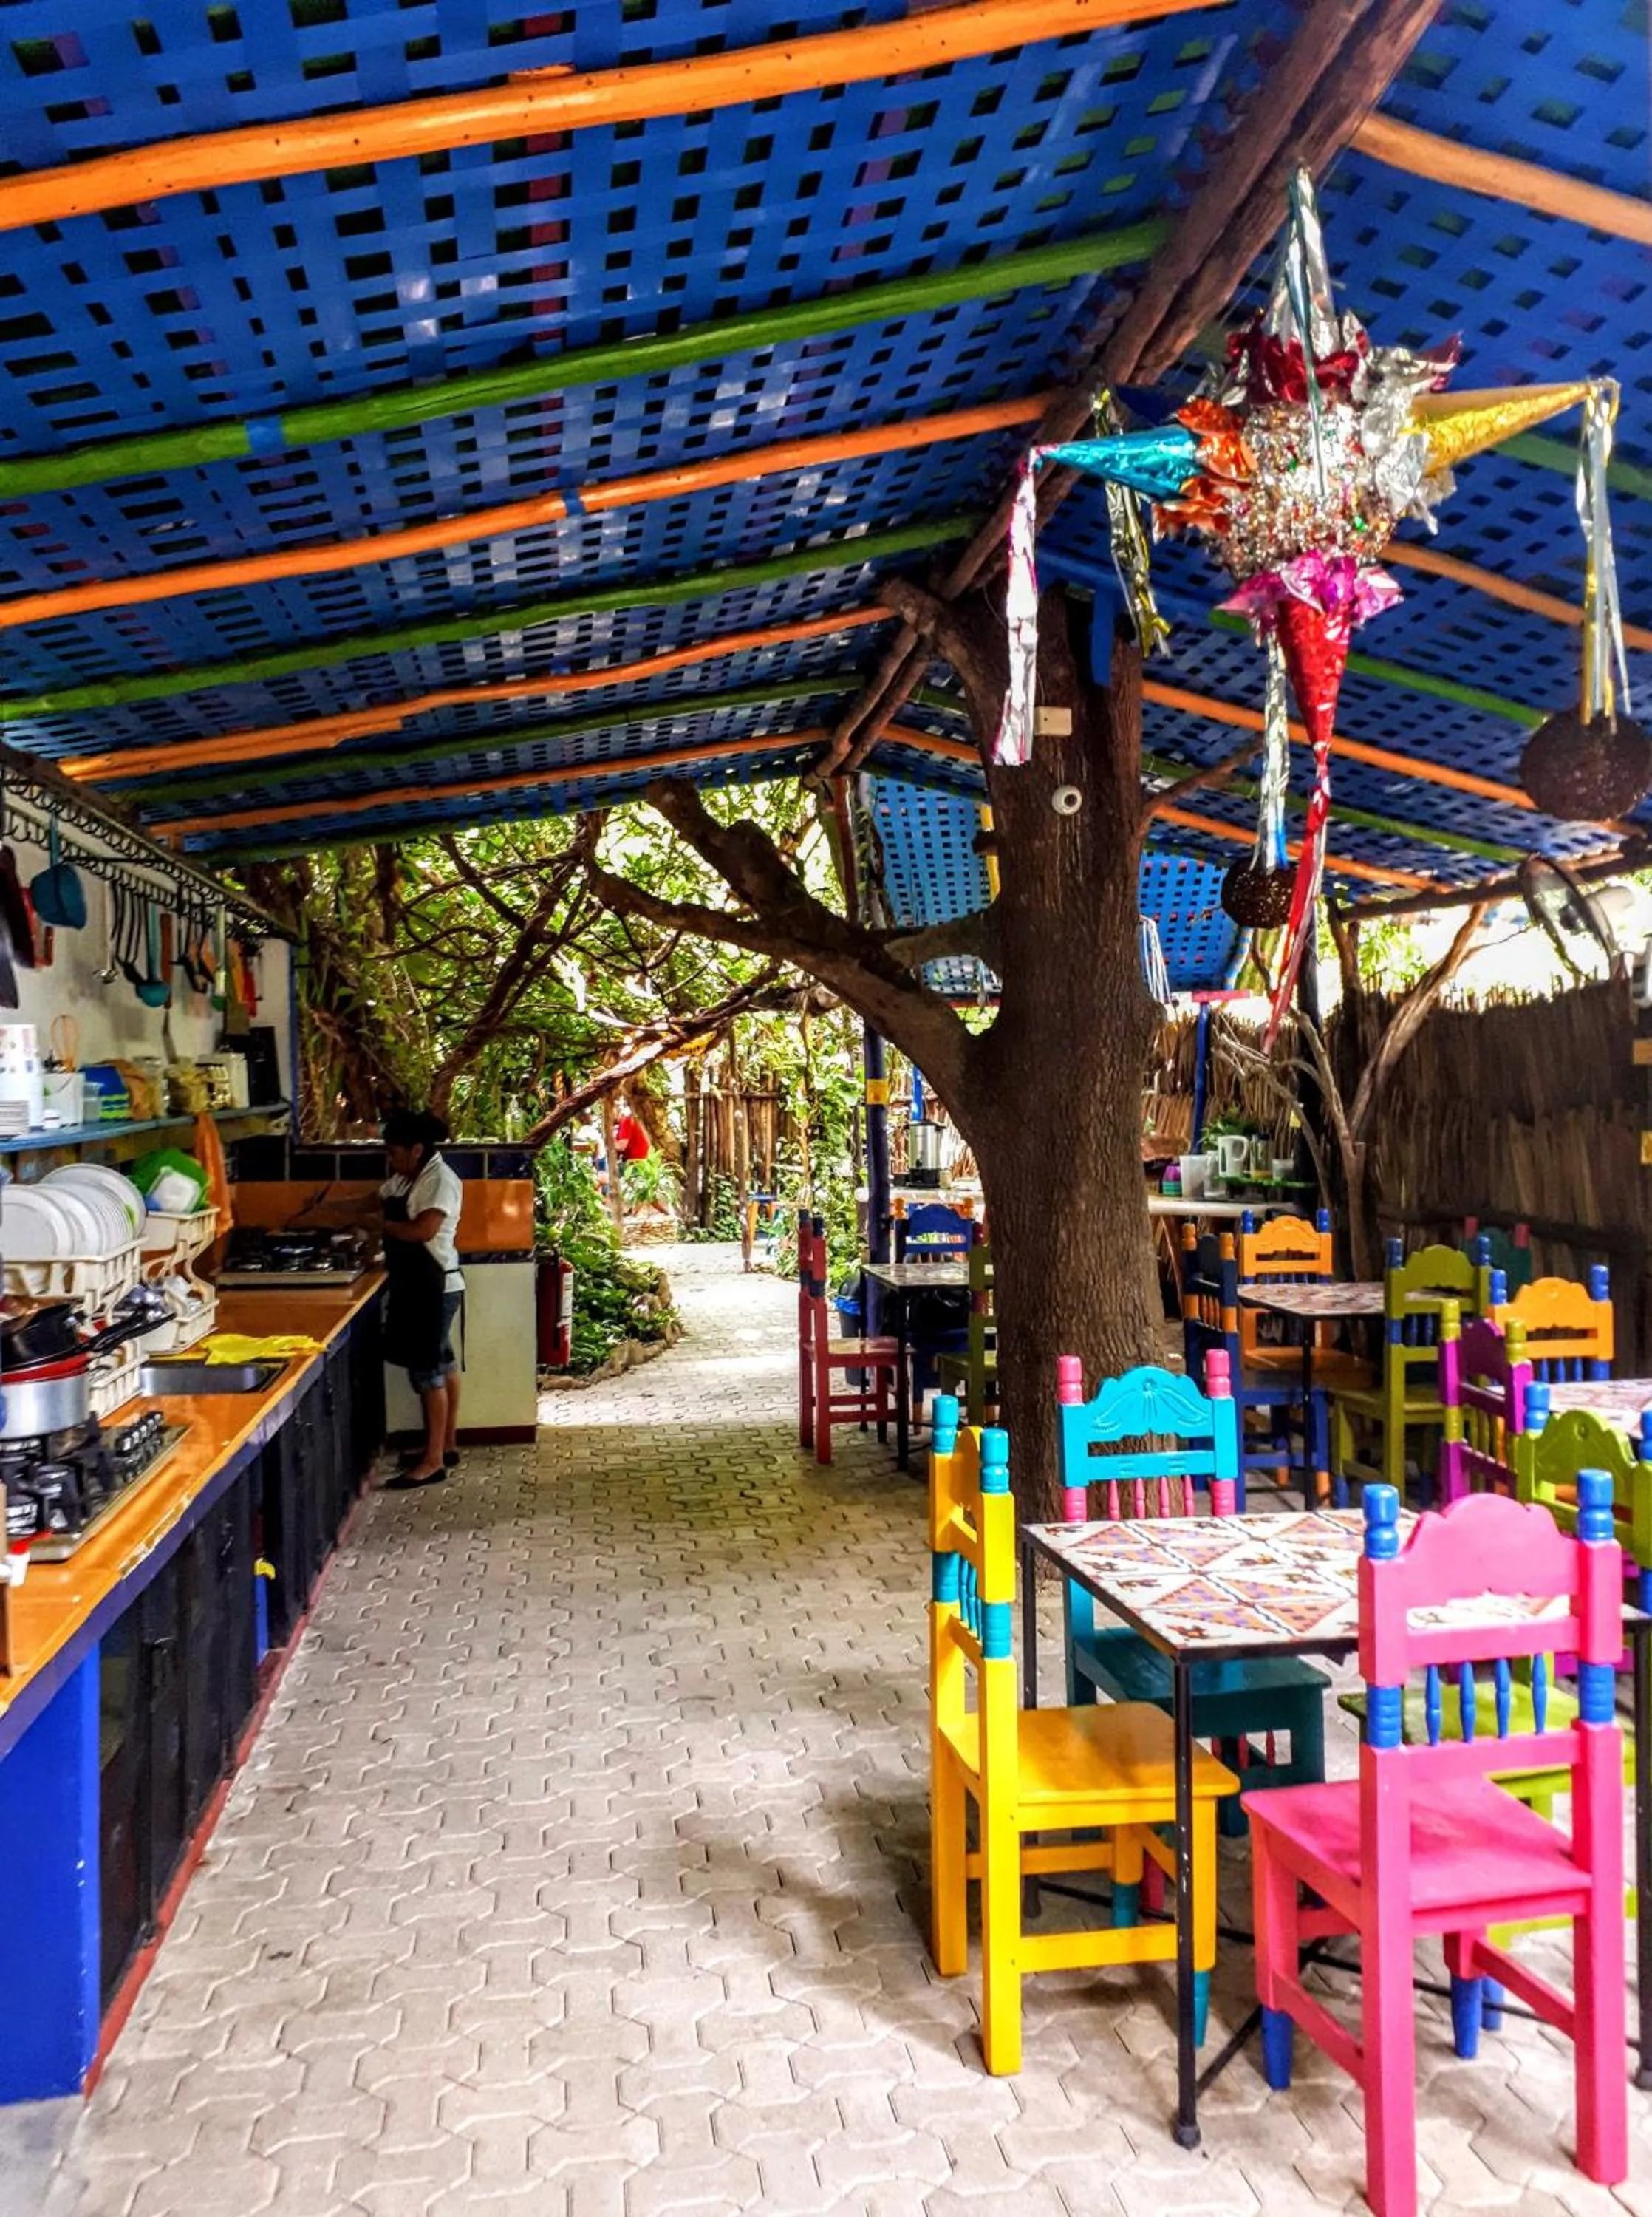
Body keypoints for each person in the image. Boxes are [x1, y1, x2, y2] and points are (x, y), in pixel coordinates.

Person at [378, 1108, 465, 1489]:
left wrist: (379, 1226)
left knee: (428, 1372)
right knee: (442, 1363)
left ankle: (432, 1463)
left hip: (434, 1286)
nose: (390, 1160)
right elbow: (374, 1200)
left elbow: (423, 1231)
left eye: (395, 1152)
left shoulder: (440, 1180)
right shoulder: (408, 1177)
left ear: (416, 1149)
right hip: (420, 1285)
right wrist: (326, 1209)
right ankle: (445, 1445)